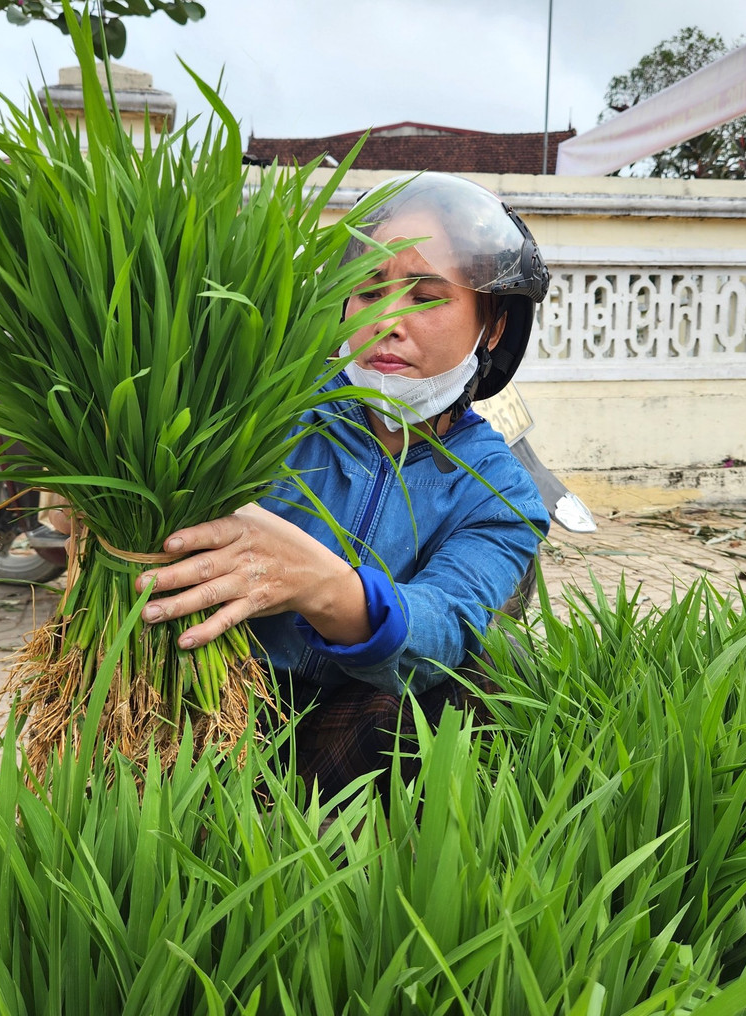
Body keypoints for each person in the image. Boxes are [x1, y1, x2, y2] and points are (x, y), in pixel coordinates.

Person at [135, 172, 552, 797]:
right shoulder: (271, 406)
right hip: (207, 700)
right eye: (367, 291)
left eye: (427, 296)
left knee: (481, 677)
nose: (388, 320)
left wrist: (322, 587)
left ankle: (355, 867)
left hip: (341, 726)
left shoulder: (499, 492)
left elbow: (446, 622)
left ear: (491, 327)